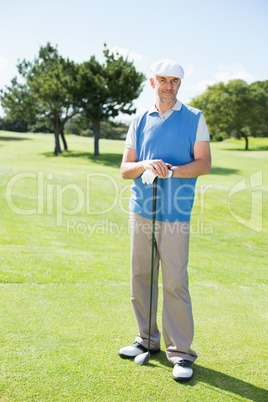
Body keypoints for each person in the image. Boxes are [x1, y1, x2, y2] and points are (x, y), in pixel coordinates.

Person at [118, 59, 211, 381]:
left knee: (174, 282)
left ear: (180, 85)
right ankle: (145, 339)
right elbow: (125, 169)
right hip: (141, 209)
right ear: (152, 82)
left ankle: (181, 353)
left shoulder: (195, 118)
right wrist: (145, 164)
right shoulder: (139, 119)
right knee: (141, 276)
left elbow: (203, 164)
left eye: (174, 81)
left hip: (175, 213)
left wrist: (170, 170)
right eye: (162, 79)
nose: (168, 85)